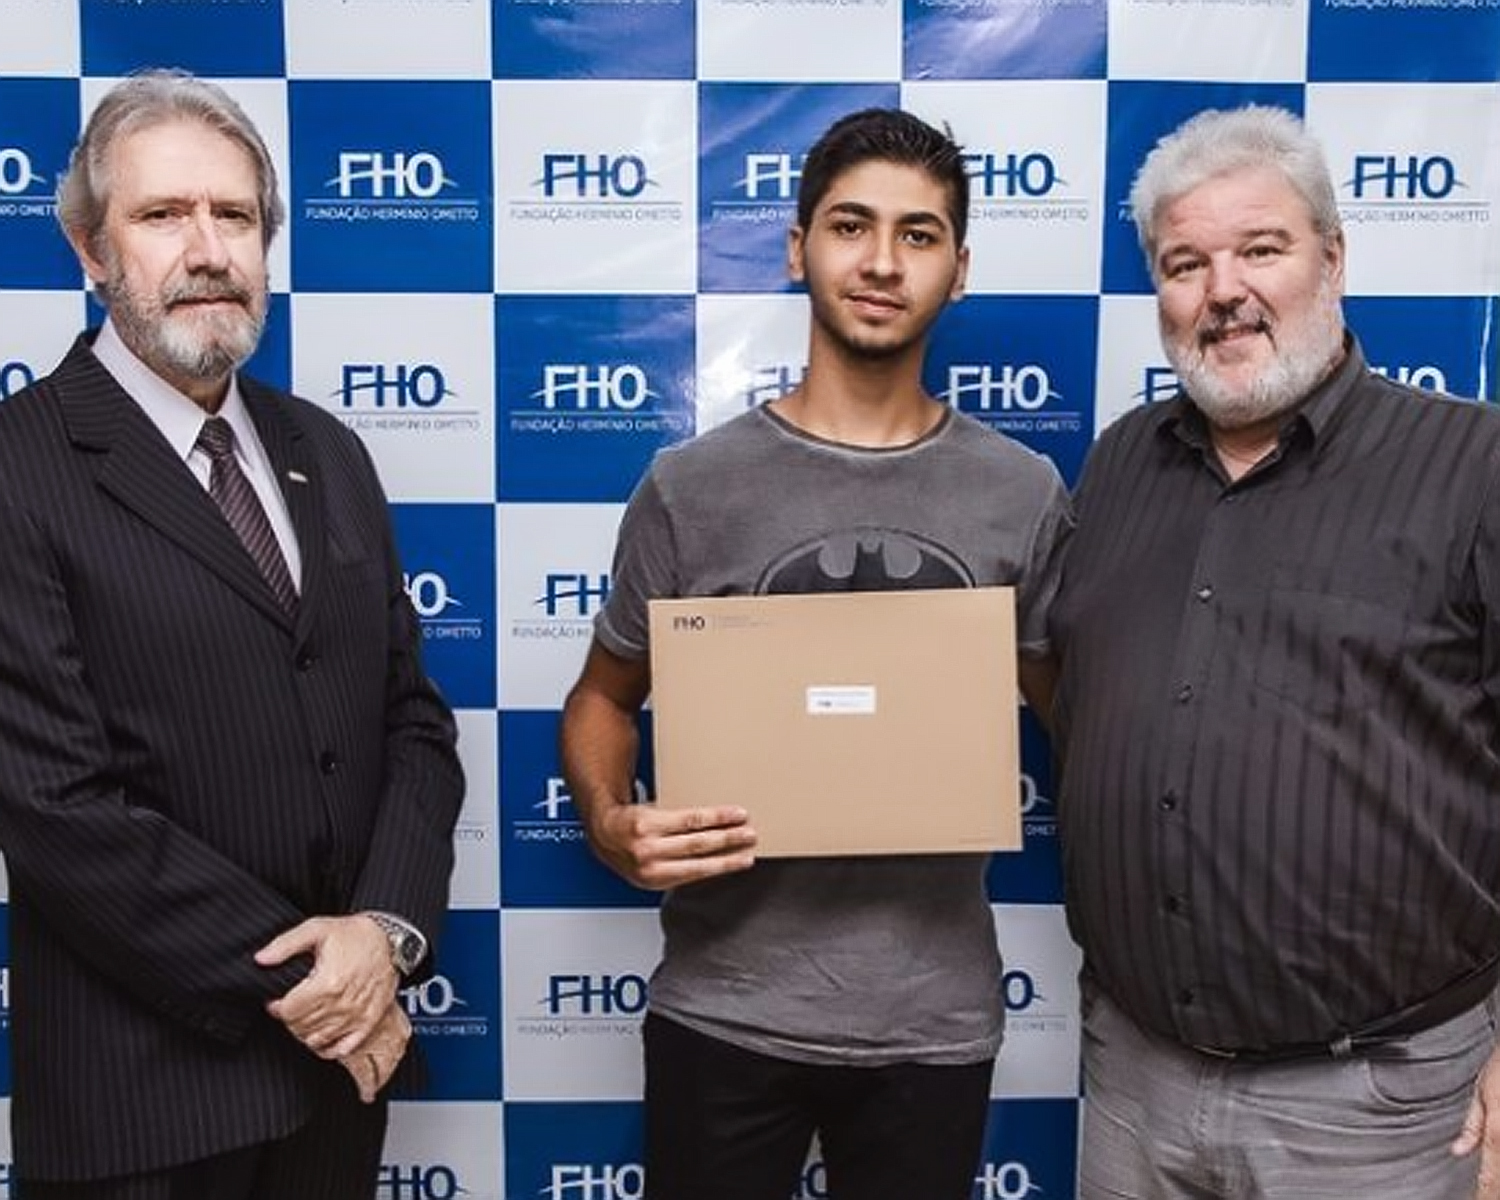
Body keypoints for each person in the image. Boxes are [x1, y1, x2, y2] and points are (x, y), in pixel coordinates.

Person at [558, 107, 1072, 1200]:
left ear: (959, 270)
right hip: (723, 1010)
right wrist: (609, 822)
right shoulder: (690, 488)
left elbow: (1080, 722)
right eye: (851, 226)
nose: (882, 262)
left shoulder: (1023, 494)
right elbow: (602, 697)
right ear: (799, 249)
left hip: (932, 1023)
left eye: (919, 235)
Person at [0, 68, 464, 1198]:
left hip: (332, 1095)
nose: (208, 250)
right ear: (90, 249)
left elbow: (410, 721)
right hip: (143, 1108)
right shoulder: (19, 463)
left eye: (236, 216)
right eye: (163, 215)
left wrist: (384, 933)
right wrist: (321, 985)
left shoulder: (329, 452)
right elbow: (57, 806)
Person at [1050, 103, 1500, 1199]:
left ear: (1332, 259)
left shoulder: (1474, 467)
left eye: (1261, 250)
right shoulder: (1118, 466)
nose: (1224, 291)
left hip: (1378, 1110)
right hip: (1135, 1084)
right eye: (1185, 264)